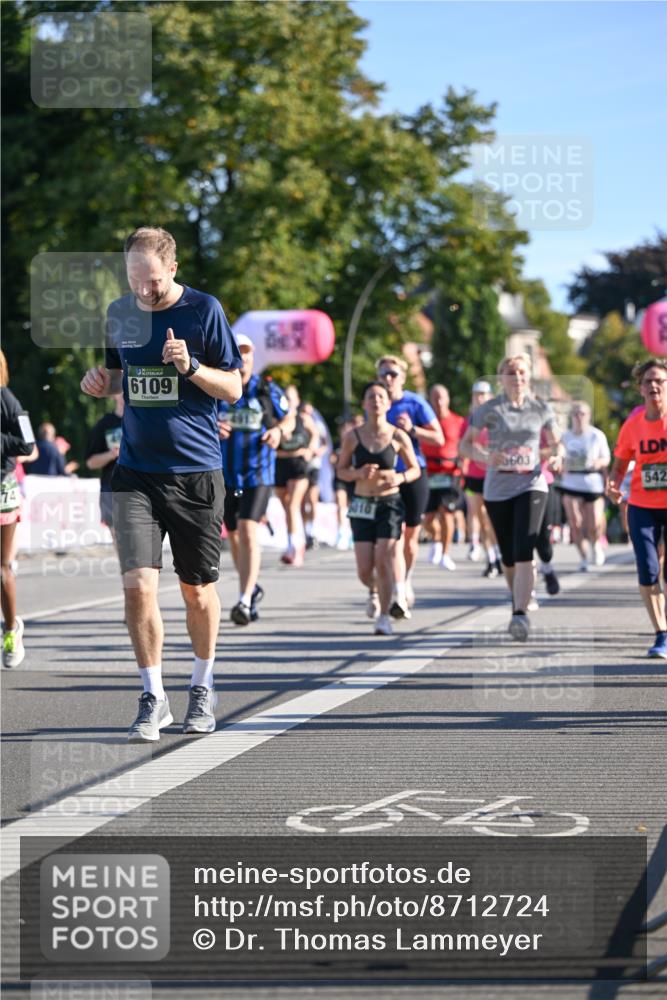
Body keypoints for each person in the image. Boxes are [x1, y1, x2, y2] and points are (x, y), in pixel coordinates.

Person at [80, 225, 242, 742]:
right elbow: (116, 378)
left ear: (173, 269)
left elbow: (234, 387)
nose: (143, 291)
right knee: (138, 587)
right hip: (135, 474)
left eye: (151, 281)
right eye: (133, 279)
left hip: (195, 472)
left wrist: (192, 366)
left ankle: (201, 686)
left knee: (196, 592)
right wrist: (99, 383)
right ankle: (153, 695)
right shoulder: (120, 313)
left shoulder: (203, 311)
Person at [459, 353, 563, 641]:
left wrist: (556, 458)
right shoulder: (489, 409)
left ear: (528, 376)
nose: (517, 377)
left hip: (531, 483)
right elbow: (464, 446)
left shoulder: (541, 408)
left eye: (521, 372)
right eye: (510, 372)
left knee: (524, 549)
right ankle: (518, 596)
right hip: (497, 488)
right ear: (501, 378)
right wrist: (485, 456)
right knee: (507, 556)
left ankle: (519, 614)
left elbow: (557, 444)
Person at [336, 381, 420, 635]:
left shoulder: (397, 436)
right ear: (364, 403)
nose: (376, 401)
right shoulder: (353, 436)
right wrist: (358, 472)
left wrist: (399, 478)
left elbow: (415, 469)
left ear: (388, 403)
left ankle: (384, 615)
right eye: (371, 396)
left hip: (389, 504)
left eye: (381, 397)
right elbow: (340, 470)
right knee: (364, 569)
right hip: (362, 504)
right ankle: (373, 590)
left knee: (383, 559)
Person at [217, 333, 290, 625]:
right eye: (237, 351)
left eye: (246, 352)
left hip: (259, 472)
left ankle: (245, 599)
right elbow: (197, 418)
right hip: (225, 474)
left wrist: (279, 432)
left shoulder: (266, 389)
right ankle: (251, 587)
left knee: (248, 530)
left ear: (252, 356)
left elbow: (290, 417)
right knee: (233, 535)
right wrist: (212, 425)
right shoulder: (218, 387)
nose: (242, 357)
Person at [607, 359, 667, 659]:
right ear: (640, 389)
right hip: (642, 505)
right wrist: (614, 483)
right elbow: (619, 464)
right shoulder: (633, 425)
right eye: (648, 382)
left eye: (660, 381)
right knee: (648, 570)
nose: (654, 386)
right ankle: (661, 634)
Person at [376, 355, 443, 614]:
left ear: (403, 377)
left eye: (393, 374)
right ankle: (396, 588)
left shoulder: (415, 403)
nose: (388, 379)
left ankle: (406, 578)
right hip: (386, 477)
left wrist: (413, 429)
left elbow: (438, 437)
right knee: (393, 535)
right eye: (384, 375)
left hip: (414, 474)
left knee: (410, 538)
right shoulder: (376, 403)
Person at [1, 350, 37, 668]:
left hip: (2, 491)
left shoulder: (7, 399)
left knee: (2, 569)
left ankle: (11, 629)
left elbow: (27, 444)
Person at [556, 401, 611, 570]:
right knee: (575, 521)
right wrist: (560, 461)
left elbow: (606, 459)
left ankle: (595, 544)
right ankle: (583, 557)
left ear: (588, 416)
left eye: (582, 414)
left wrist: (597, 463)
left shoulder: (596, 435)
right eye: (575, 414)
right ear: (571, 416)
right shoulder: (565, 436)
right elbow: (559, 454)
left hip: (592, 483)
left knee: (593, 522)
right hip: (571, 482)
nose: (579, 417)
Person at [459, 380, 503, 579]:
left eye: (483, 394)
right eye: (476, 394)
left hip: (494, 475)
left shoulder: (497, 418)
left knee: (493, 519)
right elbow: (463, 447)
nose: (479, 398)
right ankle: (491, 558)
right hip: (474, 476)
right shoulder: (468, 421)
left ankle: (500, 554)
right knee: (480, 517)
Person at [421, 384, 465, 571]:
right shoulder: (425, 423)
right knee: (427, 518)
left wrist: (465, 467)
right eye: (435, 398)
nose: (438, 402)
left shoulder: (459, 422)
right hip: (429, 473)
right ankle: (436, 538)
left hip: (450, 473)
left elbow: (466, 446)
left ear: (448, 399)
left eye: (442, 397)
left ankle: (445, 554)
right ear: (430, 400)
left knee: (447, 513)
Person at [274, 385, 318, 566]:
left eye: (292, 398)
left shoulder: (304, 419)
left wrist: (310, 449)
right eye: (286, 397)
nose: (289, 401)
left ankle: (294, 547)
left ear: (297, 400)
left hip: (298, 464)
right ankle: (296, 539)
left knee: (293, 504)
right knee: (287, 508)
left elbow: (315, 435)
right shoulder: (277, 419)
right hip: (279, 464)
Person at [85, 393, 124, 543]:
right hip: (111, 486)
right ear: (114, 395)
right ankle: (125, 566)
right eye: (121, 390)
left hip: (141, 485)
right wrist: (111, 454)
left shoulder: (143, 421)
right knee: (119, 537)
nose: (125, 393)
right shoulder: (104, 424)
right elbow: (90, 462)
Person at [300, 401, 331, 551]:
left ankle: (312, 530)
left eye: (309, 412)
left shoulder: (317, 426)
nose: (307, 414)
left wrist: (319, 451)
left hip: (314, 465)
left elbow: (325, 443)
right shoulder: (298, 424)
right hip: (301, 464)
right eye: (305, 411)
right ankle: (305, 531)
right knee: (301, 501)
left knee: (312, 499)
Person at [331, 415, 362, 551]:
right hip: (340, 477)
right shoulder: (339, 444)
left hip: (354, 478)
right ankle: (342, 531)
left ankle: (352, 533)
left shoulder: (360, 442)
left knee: (353, 507)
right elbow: (331, 459)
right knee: (340, 501)